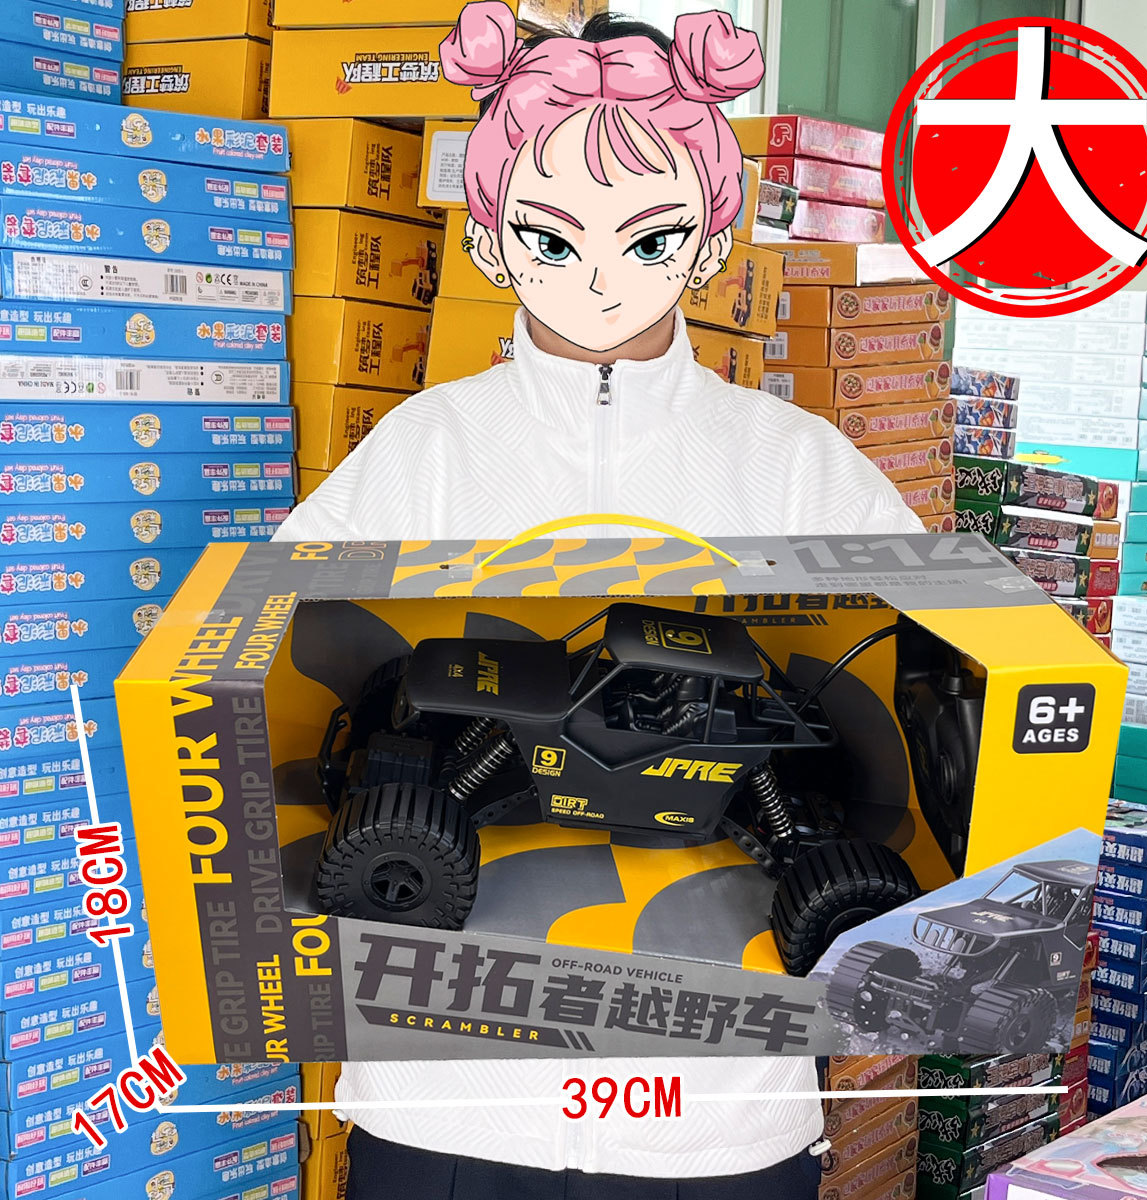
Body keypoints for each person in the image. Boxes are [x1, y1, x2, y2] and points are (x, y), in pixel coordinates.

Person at [275, 6, 924, 1198]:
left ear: (708, 234)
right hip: (445, 1107)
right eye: (556, 228)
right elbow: (269, 668)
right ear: (496, 236)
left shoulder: (800, 467)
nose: (602, 271)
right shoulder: (423, 450)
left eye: (647, 229)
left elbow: (931, 696)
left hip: (719, 1121)